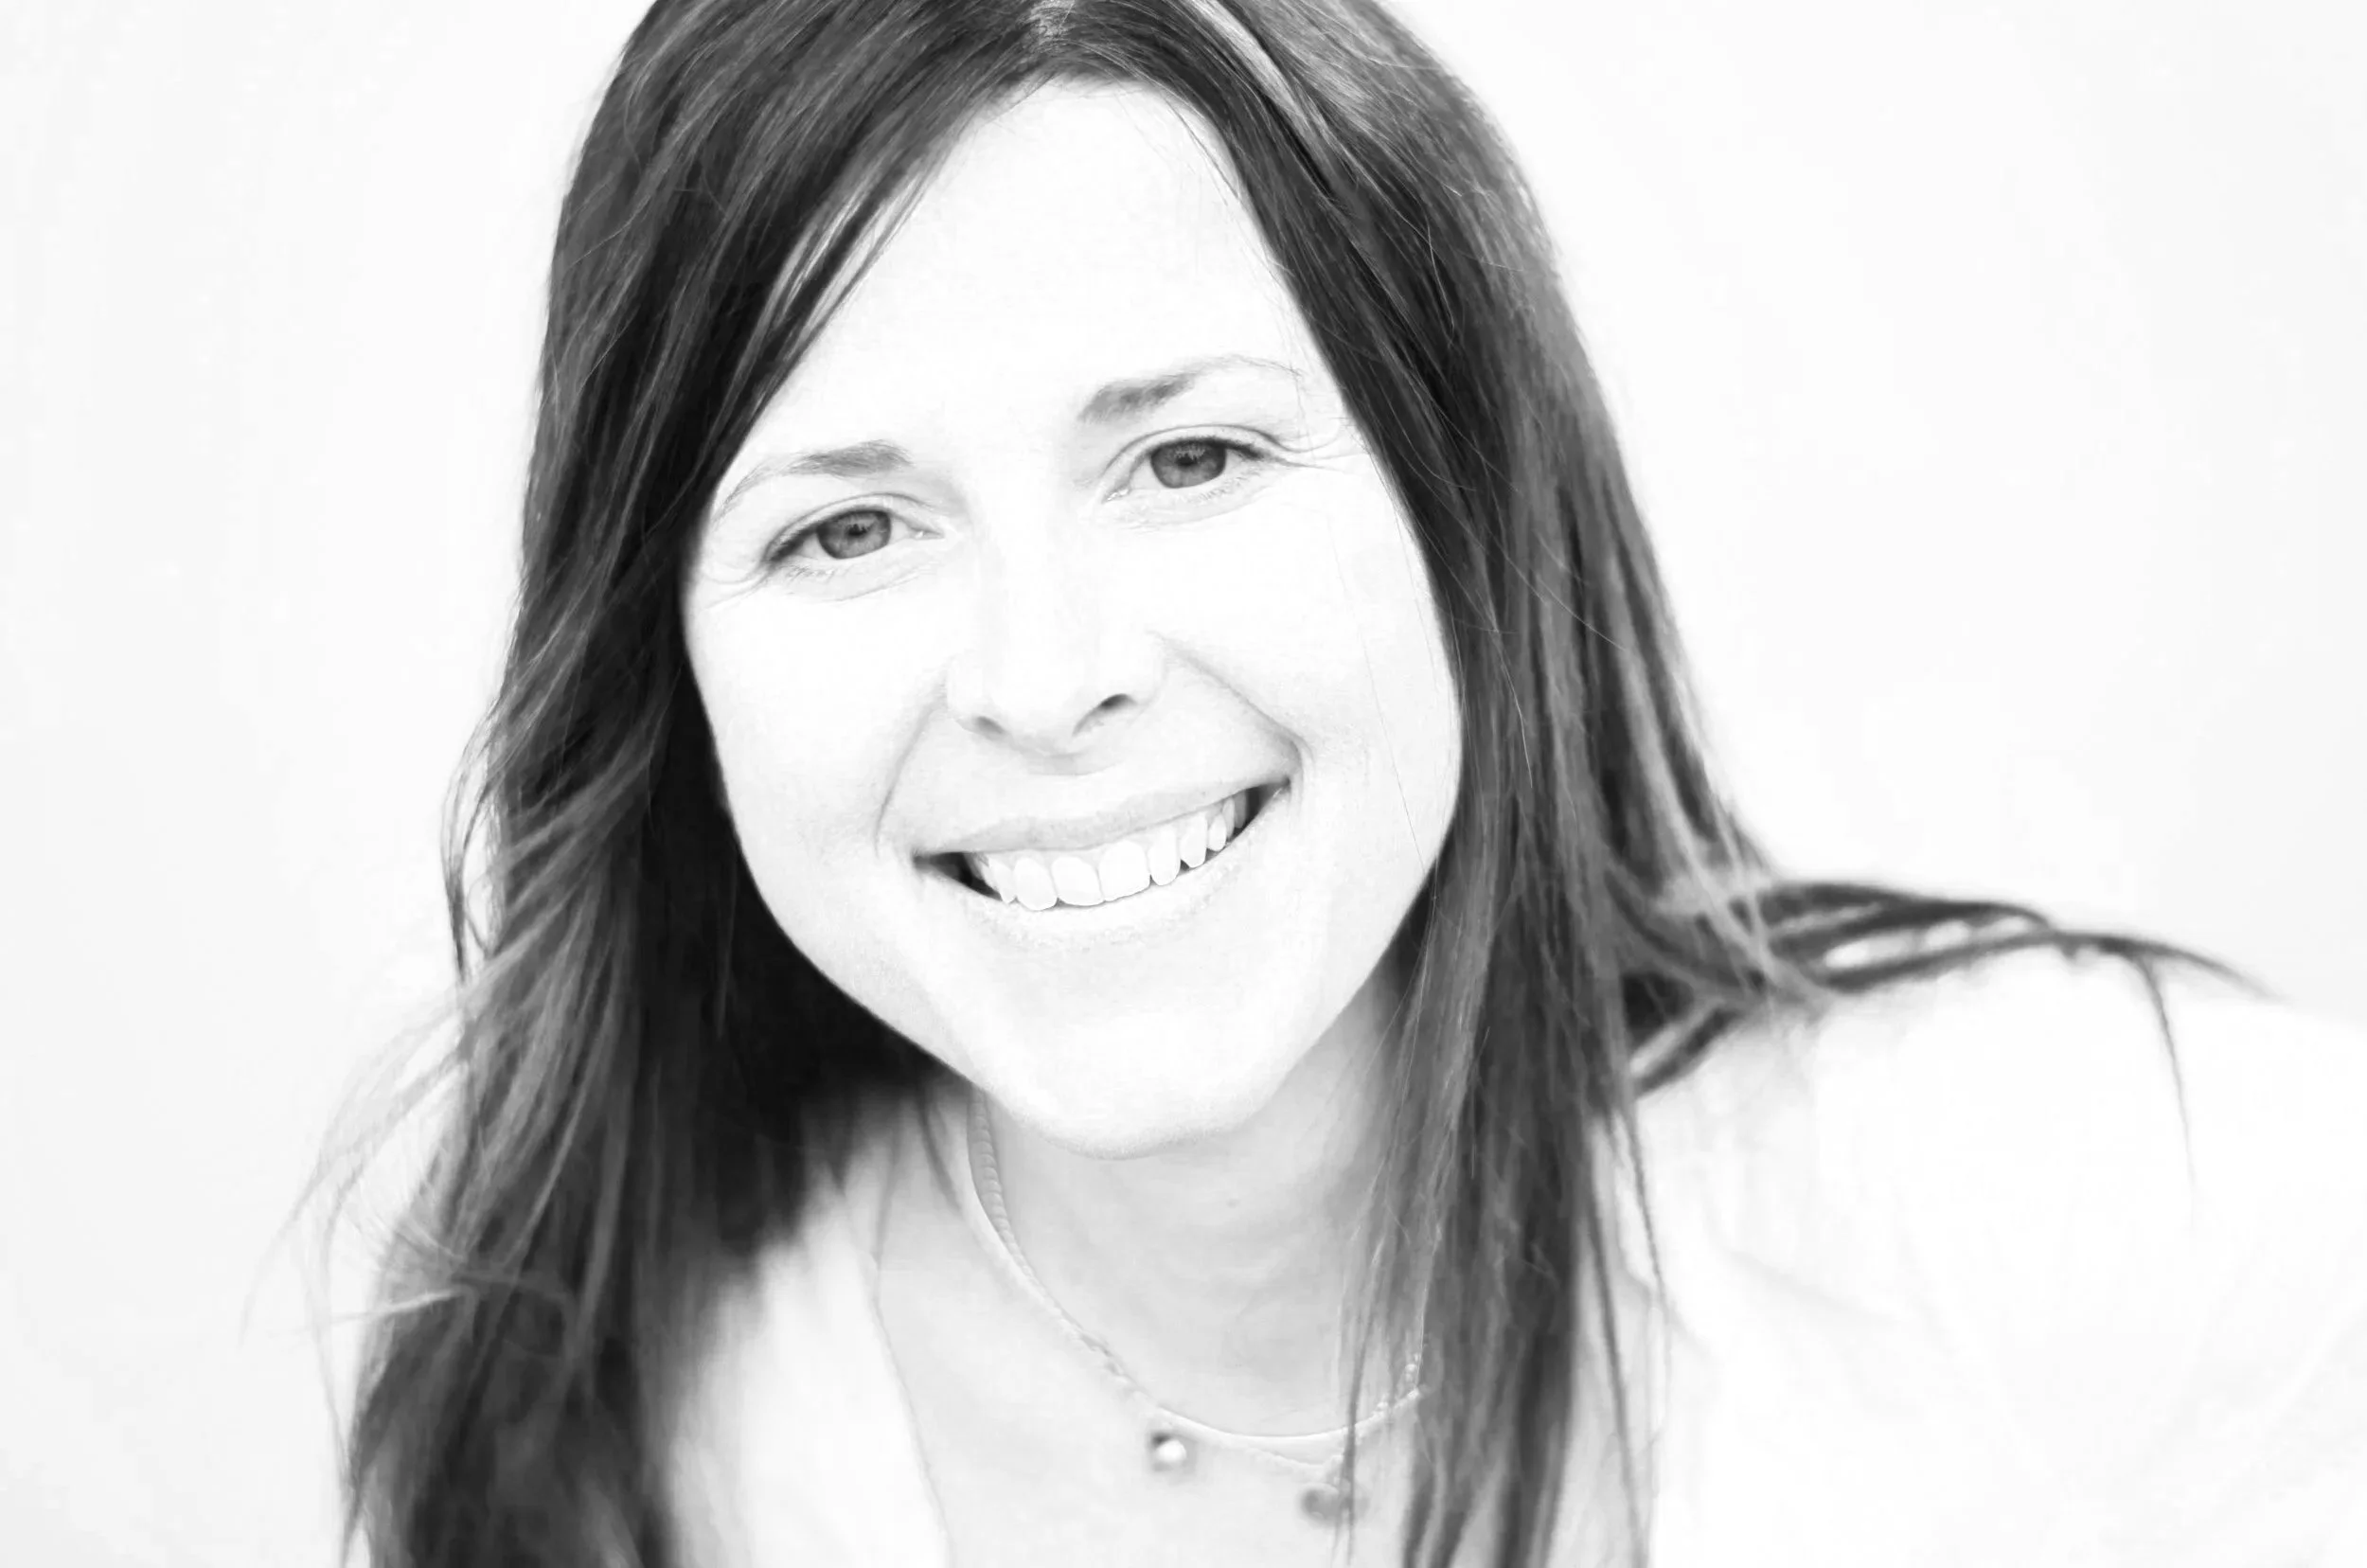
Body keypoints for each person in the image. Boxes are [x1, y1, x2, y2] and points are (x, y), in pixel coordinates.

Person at [321, 0, 2367, 1562]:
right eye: (846, 531)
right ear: (664, 662)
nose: (1046, 681)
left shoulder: (2074, 1208)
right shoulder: (628, 1451)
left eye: (1190, 459)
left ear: (1466, 518)